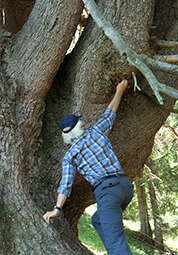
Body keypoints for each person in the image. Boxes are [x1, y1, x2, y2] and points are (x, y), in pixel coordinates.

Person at [43, 80, 134, 255]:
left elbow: (66, 185)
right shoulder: (97, 131)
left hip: (108, 193)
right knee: (98, 220)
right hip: (124, 188)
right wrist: (119, 90)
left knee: (117, 242)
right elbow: (111, 111)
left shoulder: (70, 156)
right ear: (79, 126)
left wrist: (57, 209)